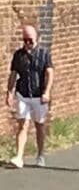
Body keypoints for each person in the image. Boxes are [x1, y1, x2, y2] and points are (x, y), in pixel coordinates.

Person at [6, 25, 53, 168]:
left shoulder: (44, 53)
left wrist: (47, 92)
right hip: (23, 94)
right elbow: (13, 74)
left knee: (39, 125)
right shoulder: (19, 55)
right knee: (23, 124)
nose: (27, 43)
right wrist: (9, 92)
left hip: (39, 95)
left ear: (37, 38)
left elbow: (50, 73)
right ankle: (19, 156)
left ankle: (40, 154)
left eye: (30, 40)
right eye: (25, 40)